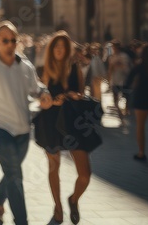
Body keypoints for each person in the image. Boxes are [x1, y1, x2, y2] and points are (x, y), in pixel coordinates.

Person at [0, 22, 52, 225]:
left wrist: (45, 94)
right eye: (5, 40)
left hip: (23, 130)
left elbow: (36, 89)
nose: (10, 44)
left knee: (11, 172)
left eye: (13, 40)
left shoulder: (25, 66)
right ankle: (22, 220)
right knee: (15, 175)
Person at [32, 32, 92, 224]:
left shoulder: (75, 68)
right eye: (56, 47)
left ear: (67, 50)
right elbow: (41, 100)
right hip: (50, 122)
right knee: (53, 167)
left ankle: (73, 200)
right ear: (52, 50)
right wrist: (52, 102)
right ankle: (57, 207)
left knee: (85, 174)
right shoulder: (46, 69)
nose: (59, 50)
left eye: (63, 47)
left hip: (74, 122)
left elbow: (82, 93)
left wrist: (75, 95)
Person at [108, 42, 132, 129]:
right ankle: (121, 117)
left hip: (124, 81)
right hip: (115, 81)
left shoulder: (124, 56)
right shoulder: (112, 57)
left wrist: (120, 65)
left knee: (126, 98)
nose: (113, 49)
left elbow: (128, 69)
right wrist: (109, 80)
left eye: (114, 48)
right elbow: (110, 69)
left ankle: (126, 111)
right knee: (115, 100)